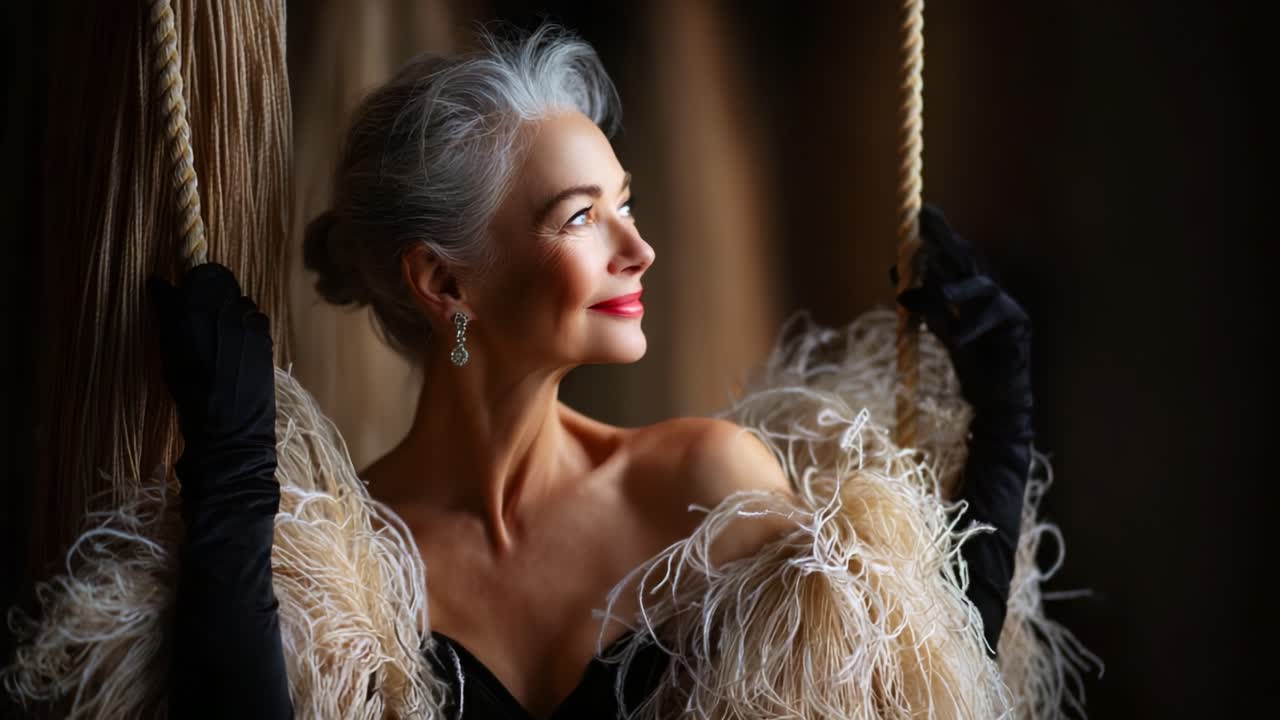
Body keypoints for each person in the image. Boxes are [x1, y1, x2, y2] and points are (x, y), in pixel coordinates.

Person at [148, 23, 1035, 720]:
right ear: (445, 281)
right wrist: (230, 469)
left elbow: (918, 690)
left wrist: (1004, 418)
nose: (640, 250)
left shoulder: (703, 488)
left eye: (627, 205)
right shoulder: (348, 565)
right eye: (581, 218)